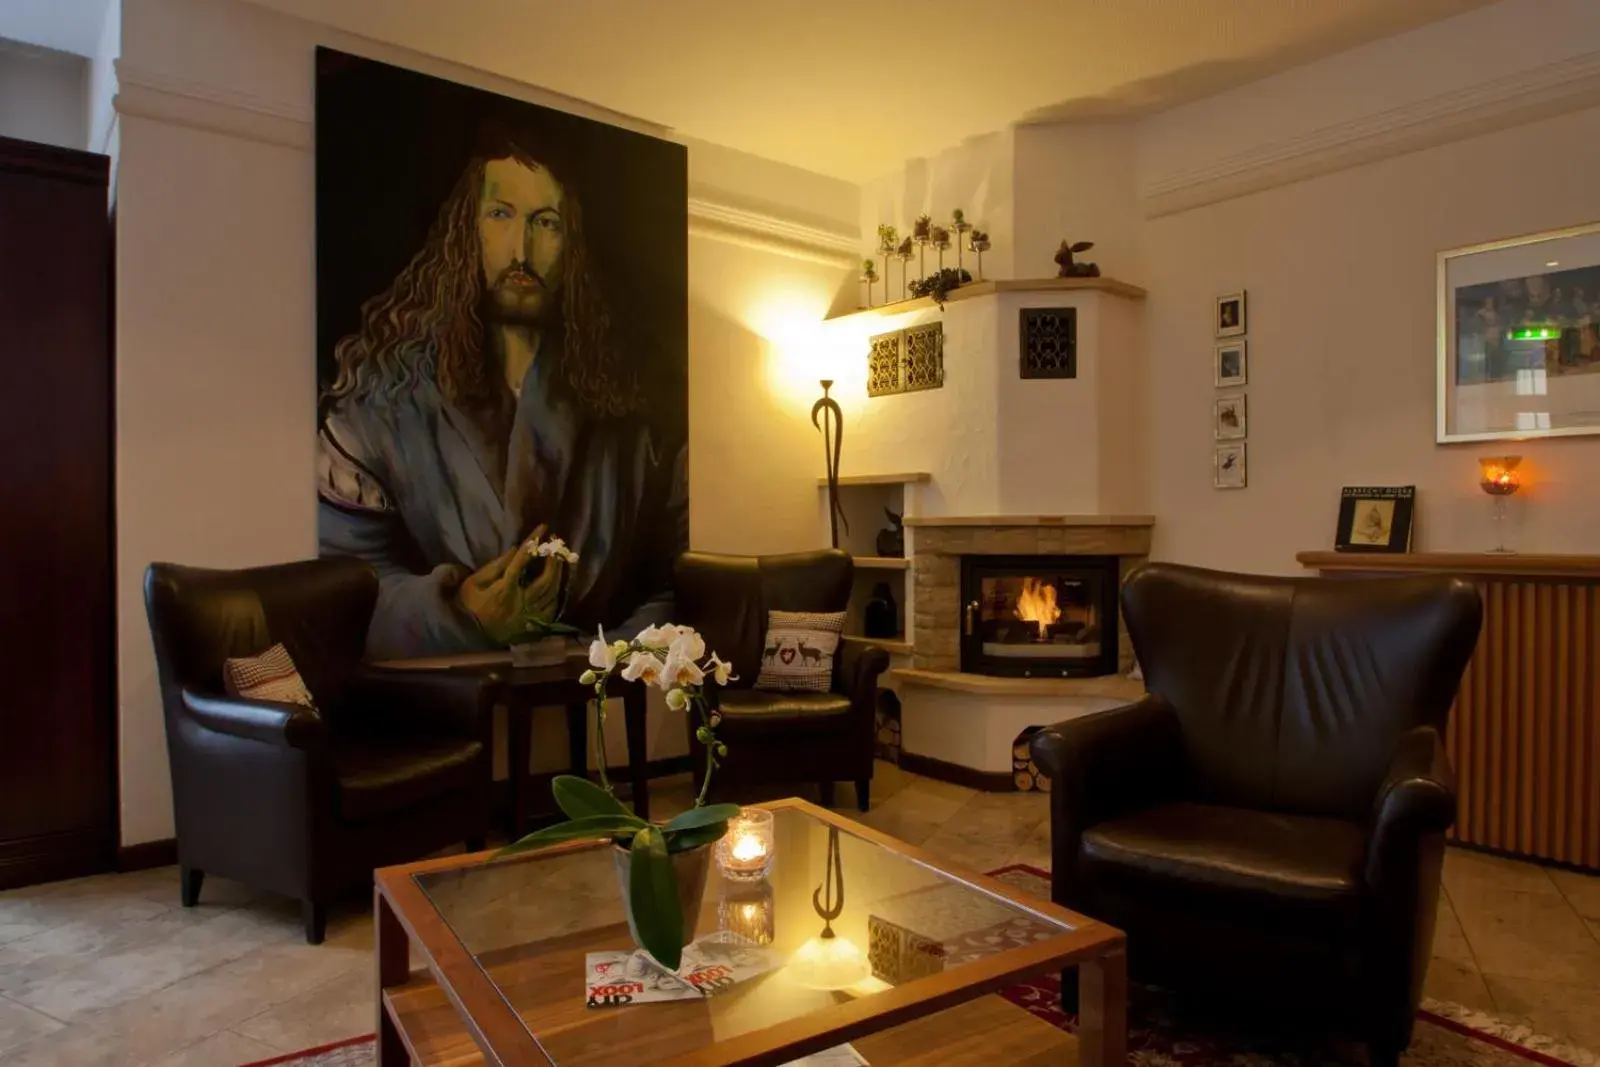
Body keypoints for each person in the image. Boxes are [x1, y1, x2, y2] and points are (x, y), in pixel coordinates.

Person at [317, 122, 686, 658]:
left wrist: (610, 663)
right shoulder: (383, 401)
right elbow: (341, 583)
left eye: (546, 222)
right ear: (467, 232)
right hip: (442, 701)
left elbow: (674, 577)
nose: (521, 249)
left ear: (572, 245)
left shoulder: (634, 413)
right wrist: (459, 611)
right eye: (500, 215)